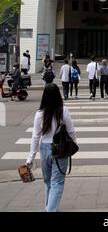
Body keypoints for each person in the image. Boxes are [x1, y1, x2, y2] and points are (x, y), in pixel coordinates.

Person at [26, 83, 77, 212]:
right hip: (60, 149)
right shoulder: (63, 110)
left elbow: (35, 136)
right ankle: (50, 210)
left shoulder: (40, 113)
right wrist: (74, 145)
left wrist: (30, 157)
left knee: (48, 181)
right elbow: (71, 131)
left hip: (45, 149)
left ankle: (49, 207)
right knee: (57, 182)